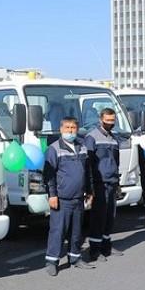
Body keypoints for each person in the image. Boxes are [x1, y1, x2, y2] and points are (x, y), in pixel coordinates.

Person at [43, 117, 96, 276]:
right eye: (67, 127)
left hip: (79, 198)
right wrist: (52, 195)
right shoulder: (54, 149)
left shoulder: (82, 147)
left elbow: (87, 172)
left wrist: (90, 191)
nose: (70, 130)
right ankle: (52, 261)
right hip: (62, 199)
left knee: (76, 231)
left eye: (73, 128)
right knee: (58, 231)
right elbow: (49, 175)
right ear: (61, 129)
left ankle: (75, 257)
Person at [84, 107, 124, 262]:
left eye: (112, 121)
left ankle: (106, 245)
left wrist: (118, 183)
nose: (110, 123)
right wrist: (90, 187)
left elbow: (116, 162)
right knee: (98, 217)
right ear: (100, 120)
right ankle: (95, 250)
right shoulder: (92, 137)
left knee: (110, 216)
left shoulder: (114, 138)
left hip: (112, 182)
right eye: (107, 121)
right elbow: (88, 163)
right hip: (99, 183)